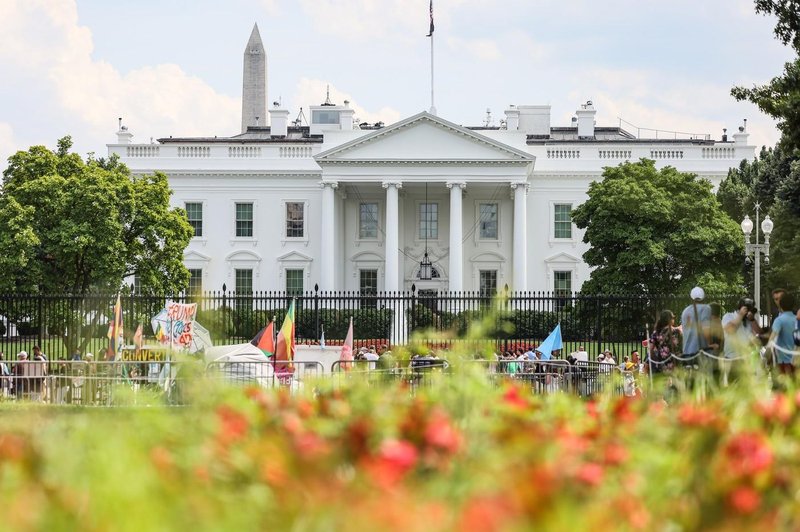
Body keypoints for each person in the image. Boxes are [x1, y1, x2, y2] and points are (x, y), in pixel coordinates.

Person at [721, 298, 760, 386]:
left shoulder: (749, 321)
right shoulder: (729, 316)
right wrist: (740, 316)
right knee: (733, 389)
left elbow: (758, 332)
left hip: (747, 360)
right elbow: (730, 330)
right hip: (732, 359)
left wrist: (752, 319)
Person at [681, 287, 711, 364]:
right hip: (700, 352)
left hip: (686, 353)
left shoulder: (685, 311)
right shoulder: (706, 308)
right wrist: (710, 344)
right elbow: (706, 329)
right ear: (703, 297)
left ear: (691, 297)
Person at [770, 293, 798, 377]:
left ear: (781, 305)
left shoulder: (779, 320)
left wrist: (765, 357)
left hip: (784, 363)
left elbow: (771, 341)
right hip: (797, 362)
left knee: (782, 388)